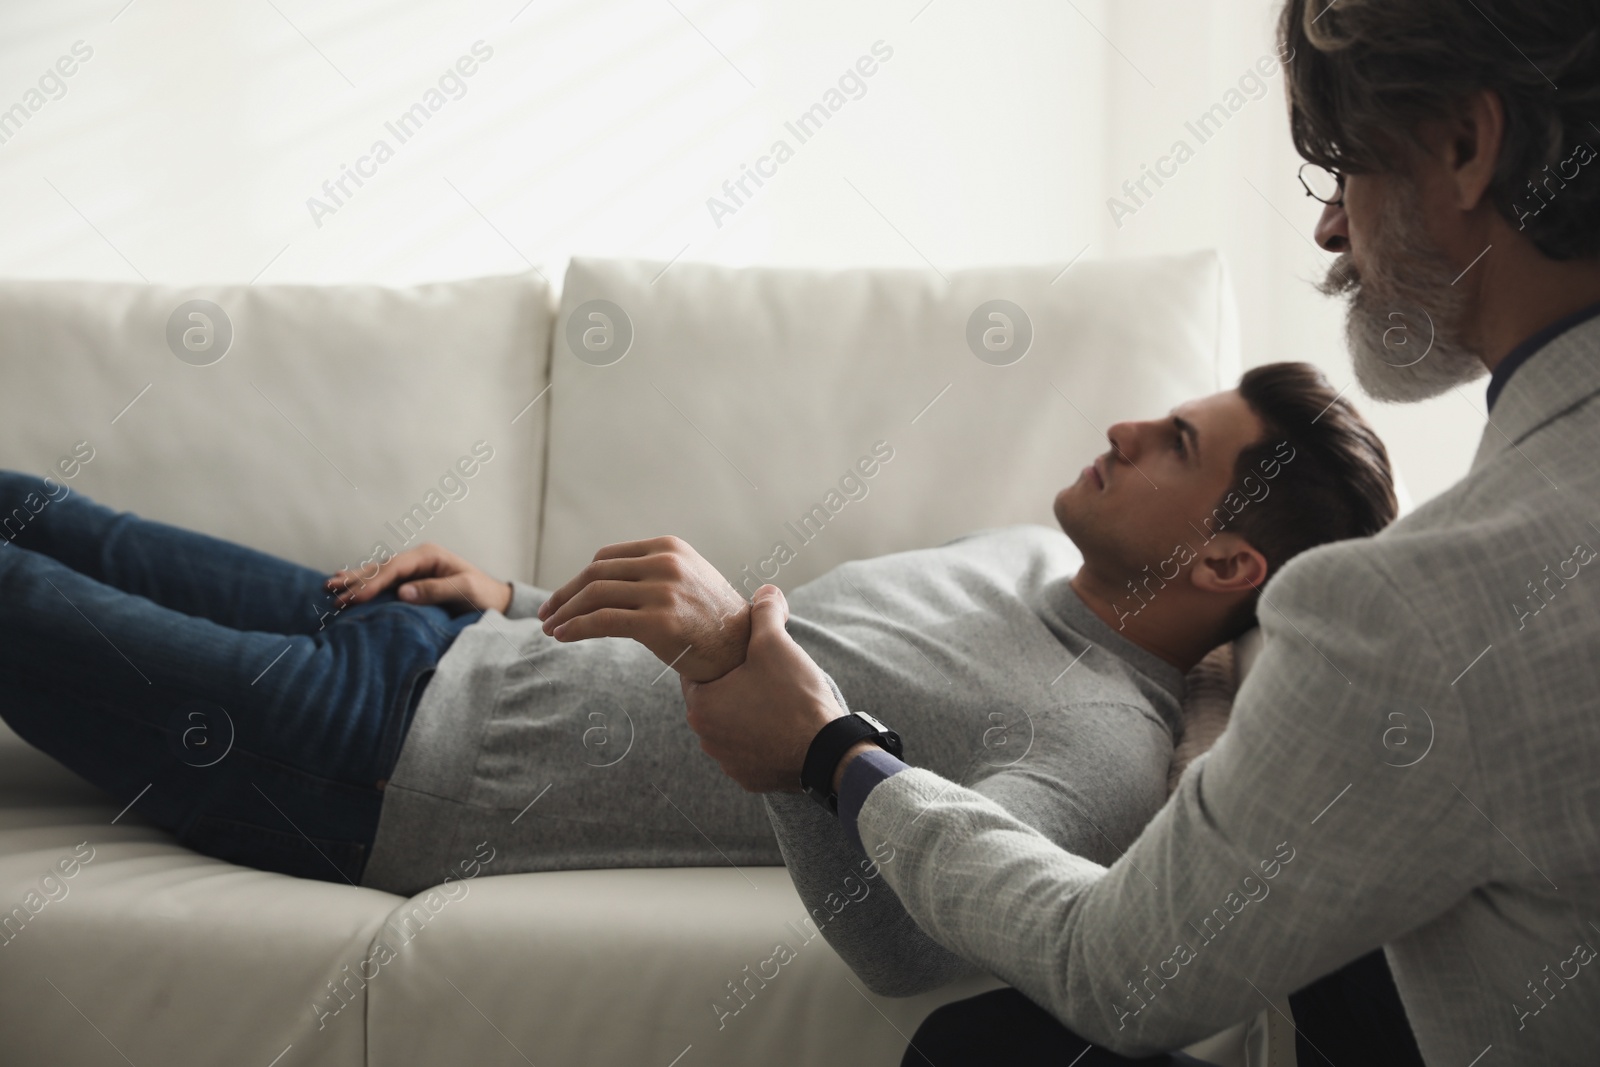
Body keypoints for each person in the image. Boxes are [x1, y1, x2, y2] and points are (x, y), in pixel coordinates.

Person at [675, 1, 1600, 1064]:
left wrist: (832, 750)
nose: (1330, 227)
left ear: (1462, 145)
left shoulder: (1416, 610)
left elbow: (1114, 970)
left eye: (1343, 164)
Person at [0, 363, 1390, 908]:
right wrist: (514, 598)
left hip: (367, 765)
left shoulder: (1094, 748)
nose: (1127, 422)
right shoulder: (1033, 551)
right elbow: (708, 642)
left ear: (1224, 556)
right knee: (30, 509)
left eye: (1177, 442)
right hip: (428, 642)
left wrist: (798, 754)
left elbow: (918, 942)